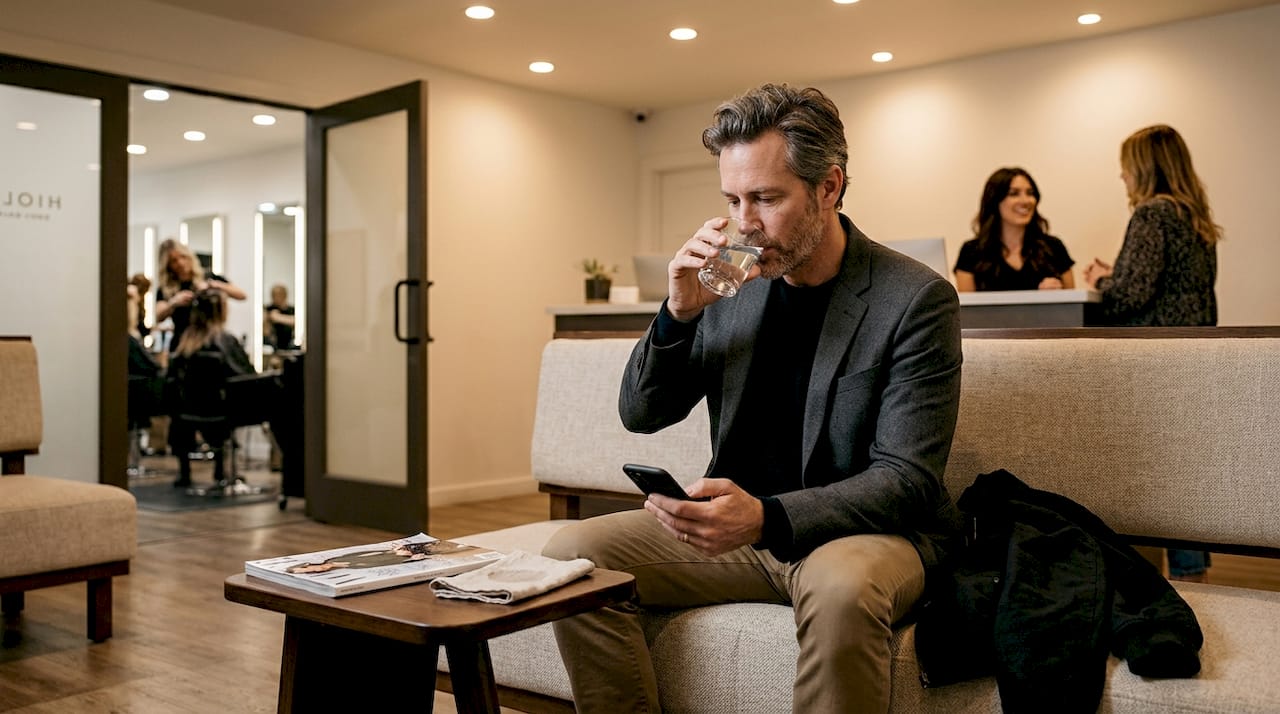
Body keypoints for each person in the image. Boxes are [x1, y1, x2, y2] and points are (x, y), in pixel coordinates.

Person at [542, 83, 964, 713]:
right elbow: (641, 412)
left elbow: (907, 480)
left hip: (859, 535)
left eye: (766, 198)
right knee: (574, 557)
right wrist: (678, 314)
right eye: (733, 199)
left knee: (844, 589)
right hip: (739, 537)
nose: (744, 222)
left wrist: (766, 515)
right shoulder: (732, 282)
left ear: (829, 187)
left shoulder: (913, 299)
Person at [1083, 123, 1222, 583]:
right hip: (1191, 355)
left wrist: (1103, 281)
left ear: (1143, 167)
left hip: (1153, 362)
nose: (1123, 177)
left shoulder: (1151, 215)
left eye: (1126, 167)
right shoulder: (1193, 217)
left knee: (1157, 469)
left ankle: (1150, 580)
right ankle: (1190, 572)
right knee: (1184, 468)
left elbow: (1131, 294)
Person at [166, 287, 255, 488]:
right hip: (220, 411)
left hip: (185, 413)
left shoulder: (184, 343)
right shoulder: (226, 341)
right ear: (222, 311)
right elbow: (246, 376)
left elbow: (170, 381)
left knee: (183, 410)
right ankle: (220, 470)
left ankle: (184, 472)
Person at [953, 167, 1075, 291]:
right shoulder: (971, 252)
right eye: (1014, 193)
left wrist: (1058, 294)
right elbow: (967, 308)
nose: (1025, 201)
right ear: (995, 200)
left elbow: (1074, 305)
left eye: (1030, 193)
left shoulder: (1054, 247)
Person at [154, 238, 245, 352]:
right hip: (182, 345)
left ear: (189, 256)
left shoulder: (208, 277)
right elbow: (157, 316)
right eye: (174, 261)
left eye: (183, 257)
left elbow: (241, 295)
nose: (180, 263)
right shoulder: (166, 288)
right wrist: (173, 303)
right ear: (167, 265)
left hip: (210, 342)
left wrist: (212, 285)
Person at [263, 283, 297, 350]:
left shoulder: (292, 310)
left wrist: (279, 317)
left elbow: (298, 322)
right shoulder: (268, 309)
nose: (276, 298)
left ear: (285, 295)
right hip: (271, 346)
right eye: (274, 295)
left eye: (279, 295)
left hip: (289, 345)